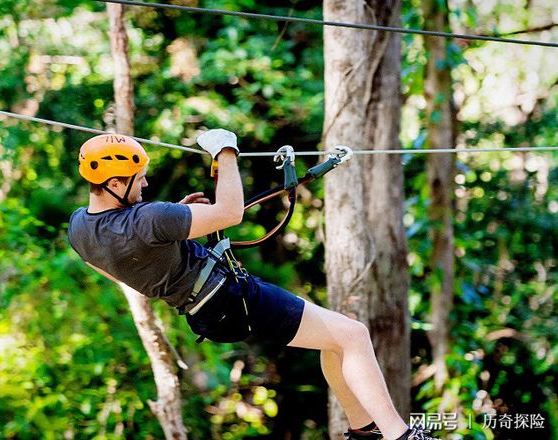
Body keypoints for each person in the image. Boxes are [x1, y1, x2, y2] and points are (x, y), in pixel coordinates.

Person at [68, 129, 439, 440]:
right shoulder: (149, 219)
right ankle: (400, 435)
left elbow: (124, 268)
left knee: (336, 343)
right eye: (138, 177)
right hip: (230, 298)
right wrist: (226, 150)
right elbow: (231, 212)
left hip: (204, 314)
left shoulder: (79, 229)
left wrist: (171, 229)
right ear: (114, 183)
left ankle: (364, 432)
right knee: (353, 335)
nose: (146, 182)